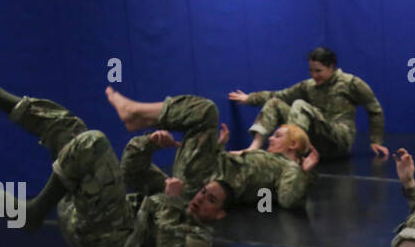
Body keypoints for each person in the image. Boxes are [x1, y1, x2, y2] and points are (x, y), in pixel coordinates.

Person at [0, 47, 215, 247]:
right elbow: (131, 171)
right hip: (90, 217)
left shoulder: (201, 241)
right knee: (71, 129)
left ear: (221, 215)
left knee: (94, 142)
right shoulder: (181, 195)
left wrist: (170, 202)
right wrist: (148, 144)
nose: (201, 197)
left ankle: (35, 210)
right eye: (204, 192)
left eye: (211, 200)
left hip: (114, 243)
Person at [106, 87, 320, 212]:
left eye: (278, 135)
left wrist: (303, 170)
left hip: (203, 182)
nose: (270, 138)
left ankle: (134, 113)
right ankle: (138, 122)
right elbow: (236, 169)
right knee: (133, 171)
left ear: (293, 145)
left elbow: (287, 200)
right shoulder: (266, 158)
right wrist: (218, 146)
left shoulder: (288, 167)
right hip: (197, 180)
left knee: (206, 111)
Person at [229, 47, 389, 161]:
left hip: (339, 141)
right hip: (316, 144)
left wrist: (376, 141)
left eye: (318, 71)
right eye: (311, 70)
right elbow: (279, 95)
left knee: (299, 104)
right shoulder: (308, 86)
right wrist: (249, 98)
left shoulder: (351, 83)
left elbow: (374, 109)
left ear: (331, 67)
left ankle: (288, 154)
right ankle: (254, 147)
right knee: (275, 103)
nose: (314, 75)